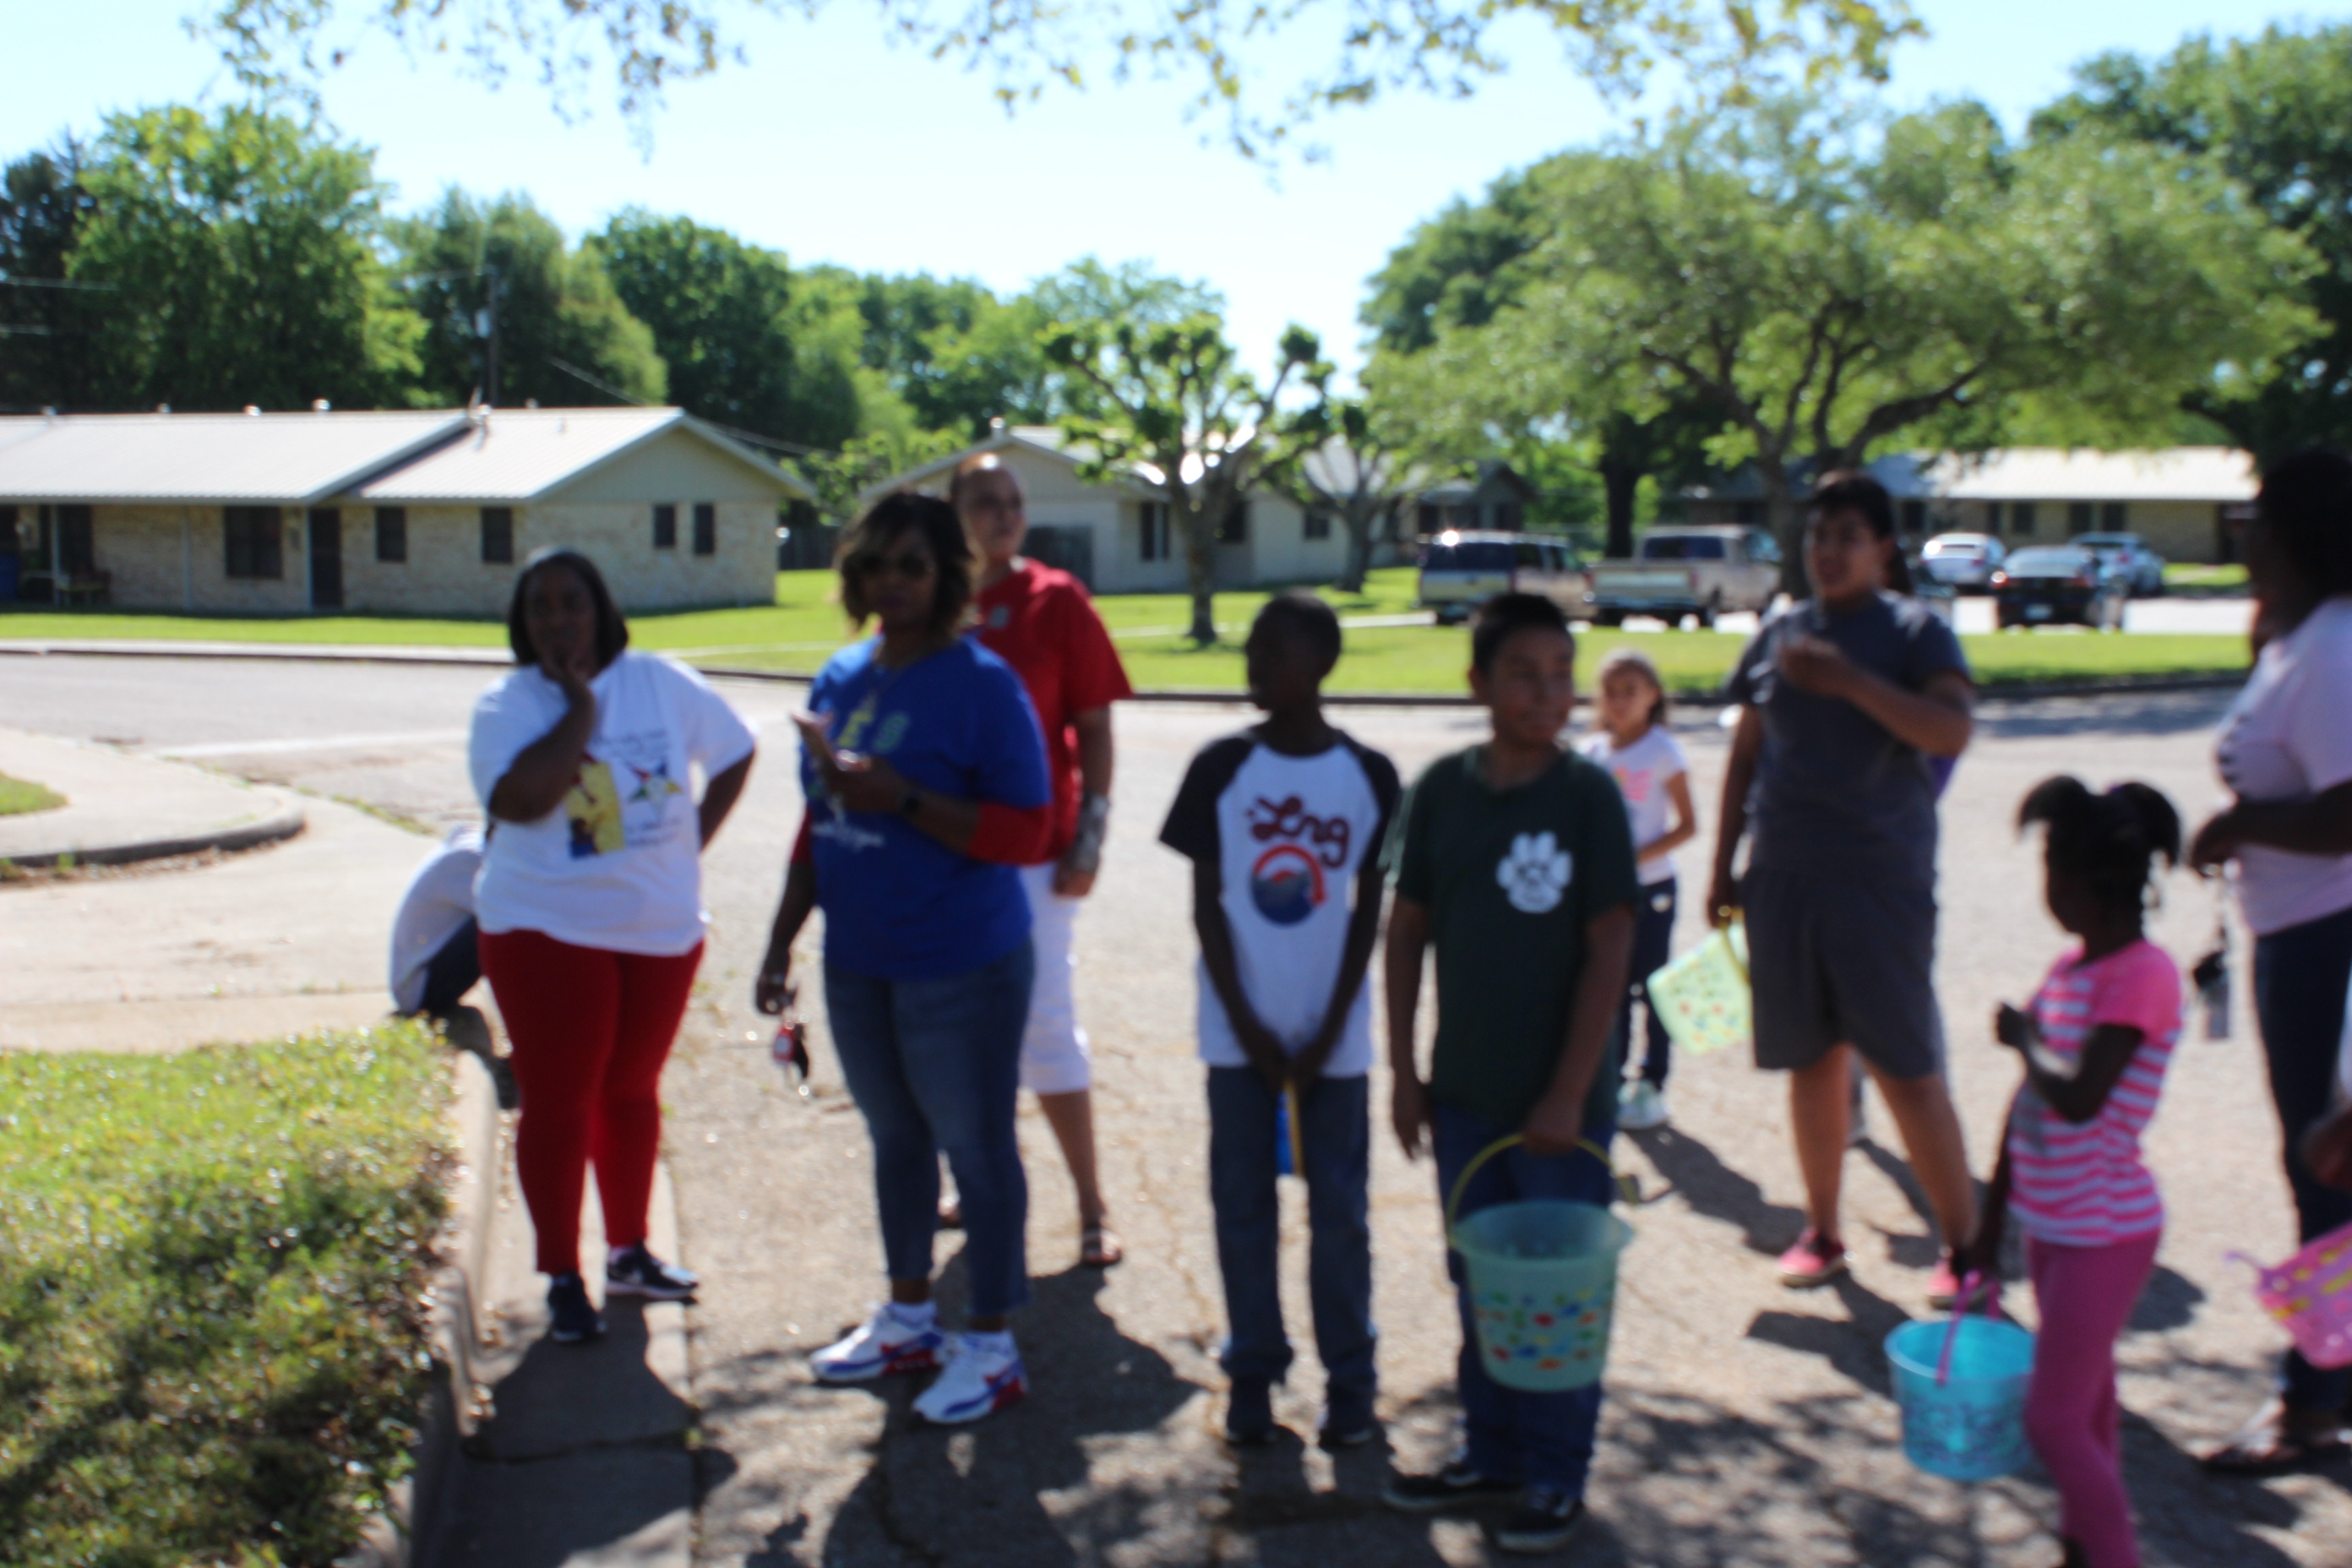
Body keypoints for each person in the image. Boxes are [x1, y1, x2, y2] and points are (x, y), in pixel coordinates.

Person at [755, 491, 1054, 1426]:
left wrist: (905, 798)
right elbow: (819, 819)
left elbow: (1028, 831)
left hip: (961, 962)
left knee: (978, 1149)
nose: (894, 582)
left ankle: (993, 1344)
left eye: (914, 566)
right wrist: (780, 938)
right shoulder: (842, 675)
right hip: (860, 959)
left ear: (948, 576)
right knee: (896, 1141)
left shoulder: (982, 685)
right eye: (877, 564)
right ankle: (910, 1318)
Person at [1380, 593, 1638, 1556]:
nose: (1548, 693)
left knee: (1557, 1295)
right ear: (1478, 684)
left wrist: (1568, 1091)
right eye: (1524, 675)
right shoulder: (1440, 791)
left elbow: (1610, 946)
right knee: (1483, 1282)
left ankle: (1555, 1473)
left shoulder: (1587, 797)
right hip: (1466, 1097)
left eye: (1562, 674)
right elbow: (1406, 930)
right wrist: (1405, 1072)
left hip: (1562, 1111)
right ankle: (1489, 1456)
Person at [470, 547, 756, 1345]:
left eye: (574, 603)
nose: (559, 620)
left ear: (602, 610)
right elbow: (522, 801)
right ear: (522, 624)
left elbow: (736, 751)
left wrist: (692, 843)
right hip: (545, 930)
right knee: (561, 1100)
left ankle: (629, 1253)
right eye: (541, 608)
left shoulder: (660, 682)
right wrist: (579, 710)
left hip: (659, 930)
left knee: (631, 1090)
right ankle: (563, 1274)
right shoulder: (507, 705)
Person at [1708, 470, 1980, 1306]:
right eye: (1818, 535)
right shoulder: (1778, 633)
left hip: (1878, 880)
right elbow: (1746, 756)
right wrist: (1721, 867)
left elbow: (1952, 730)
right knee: (1811, 1062)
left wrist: (1853, 682)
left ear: (1883, 549)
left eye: (1848, 537)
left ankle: (1967, 1249)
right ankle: (1822, 1231)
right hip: (1783, 877)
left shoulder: (1916, 633)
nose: (1828, 551)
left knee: (1905, 1068)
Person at [1159, 593, 1399, 1450]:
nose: (1253, 665)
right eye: (1252, 649)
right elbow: (1206, 907)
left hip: (1336, 1042)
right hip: (1240, 1040)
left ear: (1321, 663)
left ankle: (1351, 1383)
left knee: (1340, 1214)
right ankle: (1254, 1373)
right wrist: (1249, 1026)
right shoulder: (1221, 767)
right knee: (1243, 1206)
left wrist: (1331, 1025)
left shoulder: (1371, 777)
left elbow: (1369, 912)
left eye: (1272, 651)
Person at [1961, 777, 2185, 1568]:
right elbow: (2029, 1105)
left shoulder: (2144, 976)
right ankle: (2083, 1546)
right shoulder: (2072, 968)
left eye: (2052, 869)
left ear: (2091, 882)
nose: (2046, 889)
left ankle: (2112, 1553)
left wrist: (2025, 1039)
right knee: (2087, 1405)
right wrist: (1990, 1224)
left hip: (2105, 1233)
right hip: (2056, 1226)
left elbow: (2081, 1096)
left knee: (2051, 1420)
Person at [2189, 448, 2352, 1471]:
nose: (2243, 534)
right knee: (2324, 1167)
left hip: (2328, 939)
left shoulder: (2334, 648)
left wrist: (2238, 828)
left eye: (2257, 519)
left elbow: (2347, 814)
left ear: (2293, 532)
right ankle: (2332, 1377)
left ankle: (2313, 1403)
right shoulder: (2304, 634)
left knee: (2327, 1168)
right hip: (2297, 933)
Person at [953, 453, 1135, 1268]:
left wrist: (1091, 836)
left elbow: (1094, 726)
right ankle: (981, 1185)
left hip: (1036, 852)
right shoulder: (932, 603)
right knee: (959, 1030)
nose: (1003, 515)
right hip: (949, 854)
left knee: (1045, 1021)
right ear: (955, 515)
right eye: (985, 502)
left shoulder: (1055, 600)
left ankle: (1092, 1206)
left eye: (1014, 502)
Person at [1576, 647, 1696, 1132]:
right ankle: (1613, 1076)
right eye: (1611, 691)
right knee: (1611, 986)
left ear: (1653, 695)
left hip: (1652, 888)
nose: (1620, 701)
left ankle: (1652, 1081)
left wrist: (1633, 858)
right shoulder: (1591, 753)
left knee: (1654, 987)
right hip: (1603, 893)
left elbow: (1687, 825)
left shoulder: (1662, 750)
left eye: (1631, 691)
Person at [387, 822, 516, 1106]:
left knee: (506, 917)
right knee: (503, 922)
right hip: (420, 988)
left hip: (422, 976)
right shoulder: (472, 860)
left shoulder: (472, 849)